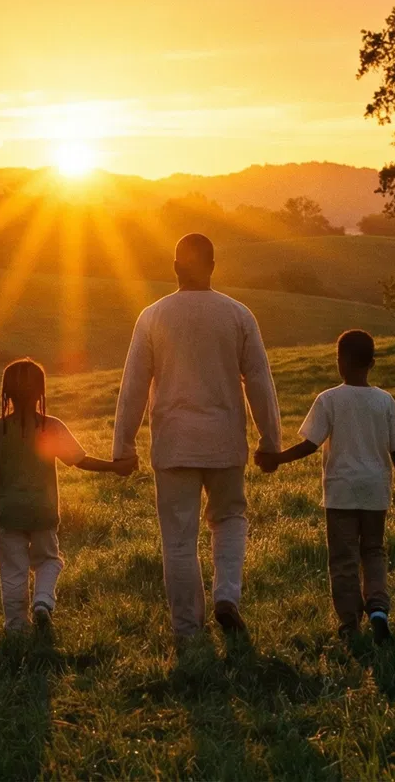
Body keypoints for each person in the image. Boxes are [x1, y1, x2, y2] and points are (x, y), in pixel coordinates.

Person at [112, 233, 283, 641]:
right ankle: (227, 597)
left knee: (178, 539)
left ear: (174, 268)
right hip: (225, 441)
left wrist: (123, 446)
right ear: (213, 264)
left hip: (173, 444)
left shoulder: (152, 316)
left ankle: (187, 629)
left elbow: (134, 385)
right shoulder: (238, 315)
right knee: (229, 519)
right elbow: (259, 380)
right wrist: (270, 441)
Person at [0, 358, 128, 634]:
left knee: (13, 572)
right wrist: (114, 466)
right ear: (41, 394)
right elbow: (80, 460)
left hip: (8, 513)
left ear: (6, 395)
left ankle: (16, 627)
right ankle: (42, 600)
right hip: (43, 510)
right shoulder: (51, 427)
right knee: (49, 560)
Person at [256, 329, 395, 640]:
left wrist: (276, 459)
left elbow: (310, 445)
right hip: (375, 490)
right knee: (374, 551)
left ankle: (349, 622)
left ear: (340, 362)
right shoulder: (385, 401)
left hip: (341, 491)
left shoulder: (328, 399)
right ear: (373, 363)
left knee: (344, 558)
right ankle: (378, 608)